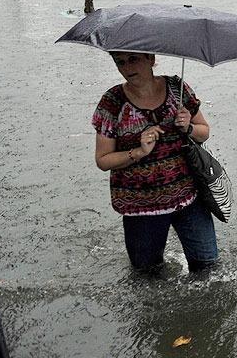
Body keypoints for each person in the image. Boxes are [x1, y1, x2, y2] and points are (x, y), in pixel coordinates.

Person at [92, 52, 218, 272]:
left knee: (208, 268)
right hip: (140, 208)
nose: (127, 67)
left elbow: (203, 132)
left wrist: (188, 127)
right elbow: (103, 160)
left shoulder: (177, 89)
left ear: (150, 59)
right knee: (147, 275)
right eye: (120, 62)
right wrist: (139, 151)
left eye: (133, 59)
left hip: (190, 198)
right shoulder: (112, 102)